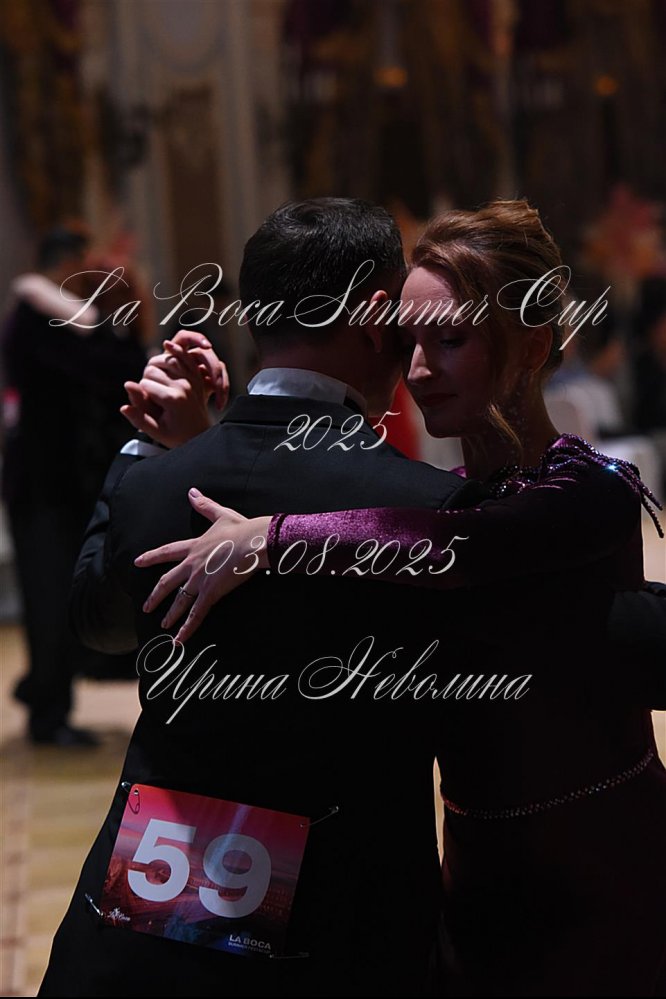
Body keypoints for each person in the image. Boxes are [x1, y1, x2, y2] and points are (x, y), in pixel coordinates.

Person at [136, 201, 666, 996]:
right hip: (473, 879)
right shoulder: (435, 498)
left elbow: (459, 546)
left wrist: (272, 536)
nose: (417, 371)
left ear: (531, 342)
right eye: (407, 341)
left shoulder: (591, 490)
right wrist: (200, 452)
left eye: (449, 340)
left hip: (608, 874)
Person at [39, 198, 491, 998]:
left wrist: (150, 448)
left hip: (153, 923)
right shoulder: (425, 508)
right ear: (375, 318)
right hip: (345, 928)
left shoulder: (157, 482)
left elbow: (95, 623)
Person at [1, 226, 146, 743]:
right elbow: (108, 368)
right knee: (49, 598)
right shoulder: (41, 316)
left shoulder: (61, 320)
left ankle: (43, 692)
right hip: (43, 487)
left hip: (62, 484)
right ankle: (47, 712)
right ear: (65, 265)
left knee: (64, 594)